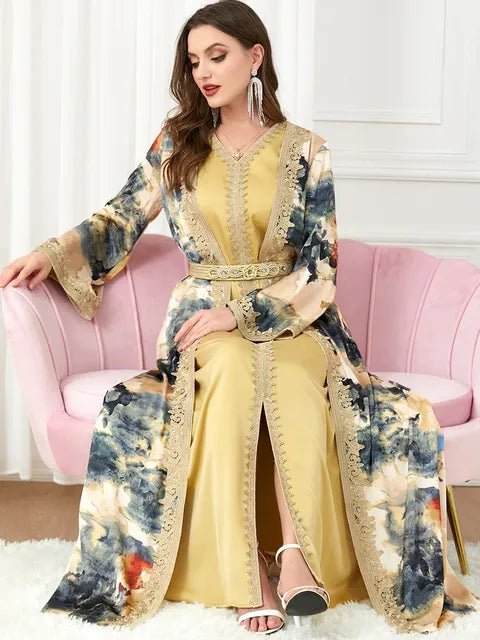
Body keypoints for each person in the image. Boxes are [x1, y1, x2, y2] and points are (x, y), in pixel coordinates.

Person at [1, 0, 479, 635]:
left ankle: (296, 559)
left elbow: (320, 266)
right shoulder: (176, 145)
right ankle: (245, 569)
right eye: (194, 60)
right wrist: (52, 253)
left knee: (294, 373)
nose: (203, 71)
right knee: (228, 369)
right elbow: (120, 216)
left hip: (297, 317)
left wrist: (245, 312)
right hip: (201, 318)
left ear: (255, 57)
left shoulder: (307, 151)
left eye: (217, 56)